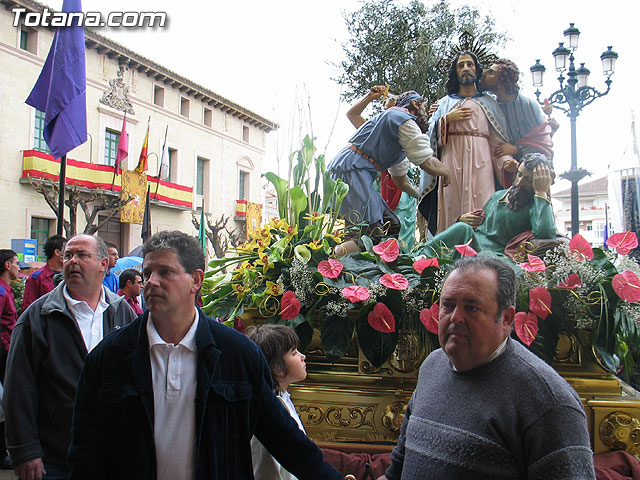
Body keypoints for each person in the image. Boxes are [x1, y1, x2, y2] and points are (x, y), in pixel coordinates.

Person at [68, 230, 345, 480]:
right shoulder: (109, 358)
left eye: (165, 272)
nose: (151, 282)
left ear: (196, 280)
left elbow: (284, 439)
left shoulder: (238, 355)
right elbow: (85, 453)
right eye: (148, 272)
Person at [383, 256, 596, 479]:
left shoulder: (548, 401)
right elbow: (396, 472)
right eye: (448, 305)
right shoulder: (432, 367)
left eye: (471, 307)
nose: (455, 317)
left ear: (506, 318)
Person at [3, 234, 137, 480]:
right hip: (53, 459)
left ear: (103, 264)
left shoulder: (122, 313)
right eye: (68, 256)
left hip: (111, 457)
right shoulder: (38, 317)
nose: (72, 261)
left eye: (82, 255)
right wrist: (25, 450)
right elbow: (18, 388)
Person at [328, 91, 449, 256]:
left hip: (353, 171)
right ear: (414, 104)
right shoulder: (402, 119)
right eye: (424, 107)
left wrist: (419, 195)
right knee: (371, 233)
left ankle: (368, 268)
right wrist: (449, 173)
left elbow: (401, 181)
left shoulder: (397, 135)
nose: (426, 113)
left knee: (391, 225)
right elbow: (426, 162)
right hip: (352, 170)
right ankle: (332, 264)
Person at [421, 51, 516, 235]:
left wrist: (506, 162)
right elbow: (428, 139)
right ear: (455, 72)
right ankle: (449, 255)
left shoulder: (489, 104)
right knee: (451, 205)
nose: (465, 68)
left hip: (482, 163)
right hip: (451, 162)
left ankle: (484, 256)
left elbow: (498, 143)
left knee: (484, 205)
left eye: (469, 64)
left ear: (476, 69)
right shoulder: (445, 103)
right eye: (460, 65)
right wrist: (446, 120)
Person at [418, 153, 556, 259]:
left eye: (528, 180)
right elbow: (480, 223)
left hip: (493, 254)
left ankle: (420, 258)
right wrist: (464, 219)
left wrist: (541, 192)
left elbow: (546, 232)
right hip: (474, 242)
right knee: (462, 227)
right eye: (519, 174)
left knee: (462, 229)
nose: (519, 182)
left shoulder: (535, 205)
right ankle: (420, 258)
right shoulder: (499, 195)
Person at [346, 85, 420, 251]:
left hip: (403, 192)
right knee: (374, 231)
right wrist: (369, 97)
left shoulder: (409, 131)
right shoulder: (375, 132)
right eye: (387, 110)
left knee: (400, 232)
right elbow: (352, 115)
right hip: (378, 186)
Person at [479, 58, 554, 186]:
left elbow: (543, 143)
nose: (484, 74)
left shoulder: (528, 105)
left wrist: (517, 149)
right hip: (500, 173)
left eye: (491, 73)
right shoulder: (490, 106)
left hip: (530, 177)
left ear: (502, 82)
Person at [247, 324, 308, 480]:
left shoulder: (283, 398)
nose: (303, 356)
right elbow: (266, 472)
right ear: (278, 369)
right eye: (294, 353)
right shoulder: (268, 413)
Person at [21, 235, 66, 312]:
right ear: (57, 252)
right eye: (67, 251)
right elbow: (28, 308)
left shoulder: (68, 276)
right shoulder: (37, 277)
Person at [0, 250, 20, 381]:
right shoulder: (1, 293)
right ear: (8, 265)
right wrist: (7, 347)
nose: (19, 268)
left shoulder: (7, 291)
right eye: (16, 263)